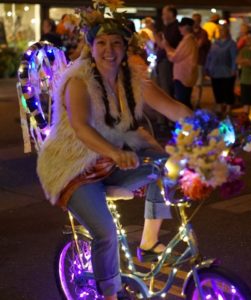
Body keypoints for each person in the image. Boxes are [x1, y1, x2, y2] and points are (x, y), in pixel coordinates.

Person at [36, 3, 192, 300]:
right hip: (75, 170)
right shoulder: (77, 82)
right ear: (91, 47)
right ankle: (109, 294)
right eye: (102, 43)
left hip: (110, 163)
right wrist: (116, 152)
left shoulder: (132, 80)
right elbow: (81, 128)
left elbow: (174, 108)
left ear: (125, 47)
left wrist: (211, 127)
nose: (110, 50)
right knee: (105, 233)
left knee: (166, 164)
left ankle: (148, 241)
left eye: (117, 43)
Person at [163, 17, 198, 109]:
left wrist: (166, 47)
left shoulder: (188, 40)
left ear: (186, 27)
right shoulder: (189, 40)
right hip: (185, 75)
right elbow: (178, 54)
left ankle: (187, 122)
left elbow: (175, 57)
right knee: (184, 101)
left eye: (181, 26)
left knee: (183, 103)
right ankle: (188, 122)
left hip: (183, 76)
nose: (179, 29)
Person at [205, 24, 237, 115]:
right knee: (217, 89)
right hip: (215, 71)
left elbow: (234, 57)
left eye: (223, 30)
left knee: (227, 89)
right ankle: (219, 105)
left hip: (227, 71)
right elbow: (209, 56)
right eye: (220, 31)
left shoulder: (231, 44)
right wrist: (207, 67)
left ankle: (228, 107)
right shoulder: (215, 43)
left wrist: (233, 69)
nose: (221, 32)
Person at [154, 5, 182, 96]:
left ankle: (167, 109)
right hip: (164, 60)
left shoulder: (175, 28)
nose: (162, 17)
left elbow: (163, 45)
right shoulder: (168, 27)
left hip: (167, 61)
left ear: (170, 14)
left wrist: (154, 33)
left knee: (166, 88)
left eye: (164, 14)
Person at [192, 13, 210, 108]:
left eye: (197, 20)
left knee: (198, 83)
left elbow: (199, 45)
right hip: (190, 62)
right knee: (190, 82)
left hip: (199, 61)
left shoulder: (203, 33)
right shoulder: (190, 32)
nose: (195, 23)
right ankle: (192, 100)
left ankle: (197, 102)